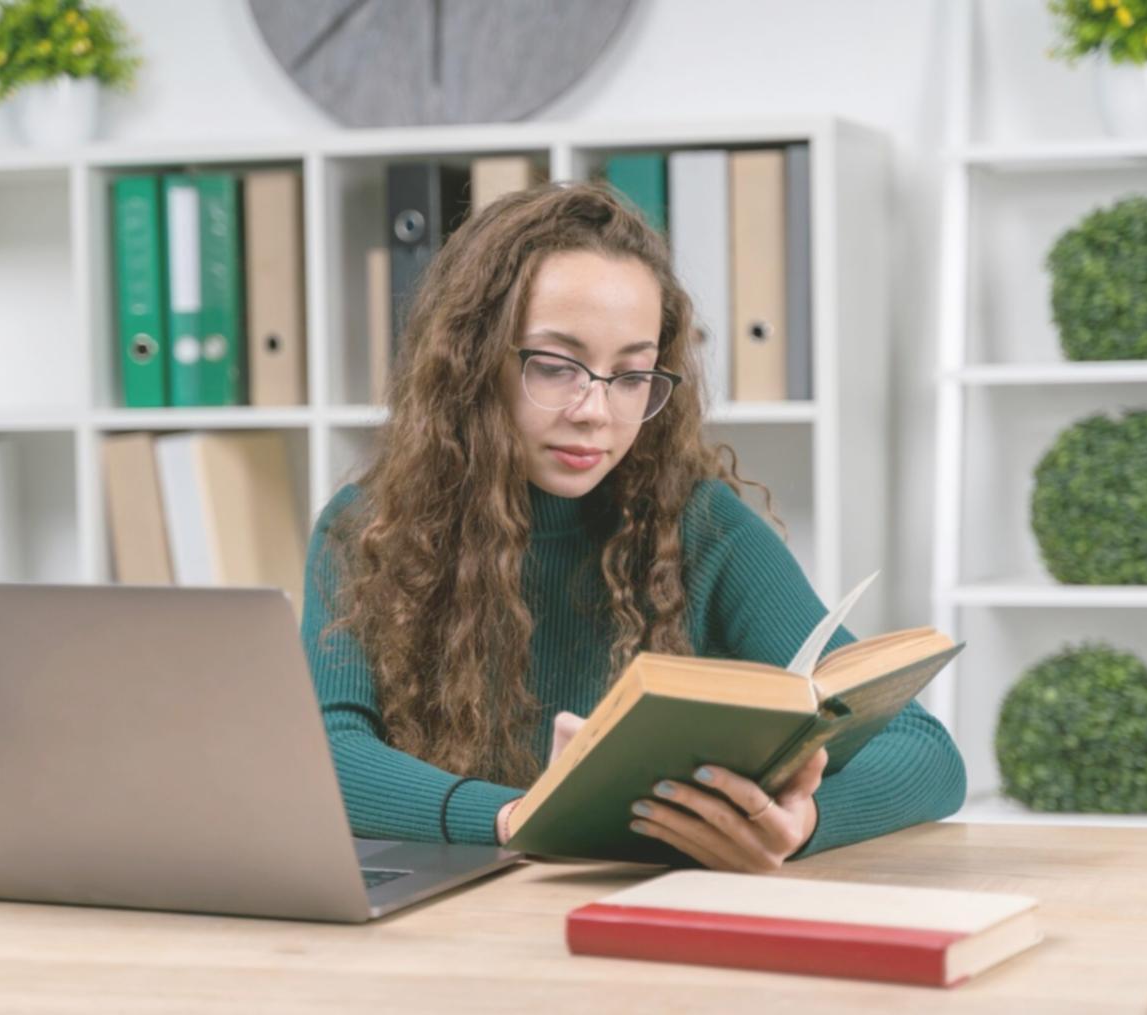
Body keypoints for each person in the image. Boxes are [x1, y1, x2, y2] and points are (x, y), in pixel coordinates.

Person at [301, 181, 965, 873]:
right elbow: (327, 752)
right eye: (554, 367)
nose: (594, 410)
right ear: (471, 361)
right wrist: (516, 819)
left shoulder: (704, 529)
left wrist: (803, 823)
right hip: (450, 911)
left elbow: (926, 751)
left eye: (631, 375)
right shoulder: (364, 530)